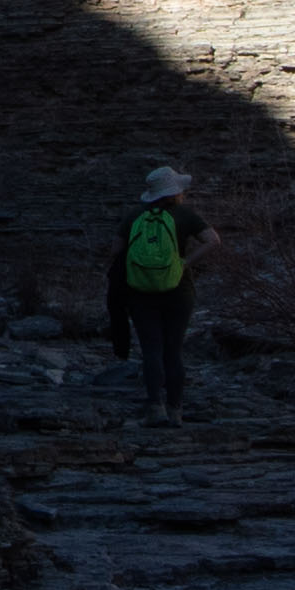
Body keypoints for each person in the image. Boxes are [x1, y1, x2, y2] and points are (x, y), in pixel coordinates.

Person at [111, 164, 202, 417]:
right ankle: (175, 410)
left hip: (140, 291)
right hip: (179, 290)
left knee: (151, 350)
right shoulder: (185, 215)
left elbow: (115, 251)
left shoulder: (134, 215)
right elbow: (213, 240)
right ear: (174, 192)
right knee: (173, 351)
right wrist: (184, 263)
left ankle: (155, 407)